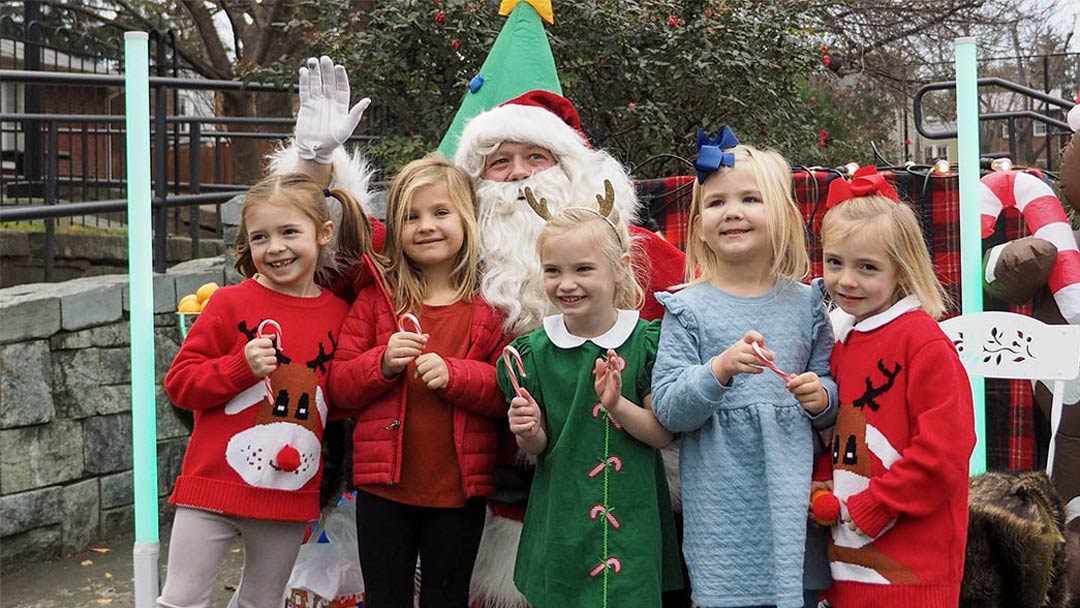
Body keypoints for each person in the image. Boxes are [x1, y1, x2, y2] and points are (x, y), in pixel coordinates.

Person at [274, 56, 689, 608]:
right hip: (479, 504)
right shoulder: (449, 258)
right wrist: (313, 162)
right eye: (499, 162)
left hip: (616, 497)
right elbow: (335, 246)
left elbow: (705, 324)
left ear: (576, 169)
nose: (517, 174)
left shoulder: (638, 255)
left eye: (535, 157)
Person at [160, 172, 375, 608]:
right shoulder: (228, 304)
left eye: (289, 232)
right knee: (180, 600)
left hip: (288, 494)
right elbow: (180, 384)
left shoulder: (340, 314)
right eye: (260, 237)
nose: (274, 248)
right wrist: (240, 367)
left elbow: (338, 399)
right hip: (211, 488)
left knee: (263, 602)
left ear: (324, 233)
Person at [651, 134, 837, 608]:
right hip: (721, 503)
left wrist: (823, 397)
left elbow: (831, 393)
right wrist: (718, 369)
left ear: (783, 216)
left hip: (794, 493)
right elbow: (670, 408)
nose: (732, 211)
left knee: (799, 590)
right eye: (716, 202)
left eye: (750, 199)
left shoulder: (806, 304)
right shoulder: (687, 307)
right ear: (698, 225)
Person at [326, 155, 511, 608]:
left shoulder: (490, 305)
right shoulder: (376, 300)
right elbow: (340, 388)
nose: (425, 225)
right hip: (383, 489)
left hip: (458, 491)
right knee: (385, 596)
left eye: (440, 212)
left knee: (446, 597)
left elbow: (505, 391)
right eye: (411, 216)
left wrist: (455, 374)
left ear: (466, 219)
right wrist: (382, 363)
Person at [499, 187, 683, 607]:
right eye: (553, 271)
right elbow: (538, 446)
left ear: (618, 268)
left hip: (633, 515)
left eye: (583, 269)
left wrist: (618, 404)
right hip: (562, 514)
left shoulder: (647, 342)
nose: (567, 284)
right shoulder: (532, 354)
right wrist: (527, 429)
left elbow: (660, 436)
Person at [818, 167, 975, 607]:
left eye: (867, 268)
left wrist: (880, 503)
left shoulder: (922, 342)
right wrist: (819, 487)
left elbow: (946, 450)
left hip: (915, 570)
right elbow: (834, 438)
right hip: (847, 561)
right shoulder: (843, 338)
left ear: (902, 271)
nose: (846, 280)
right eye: (835, 263)